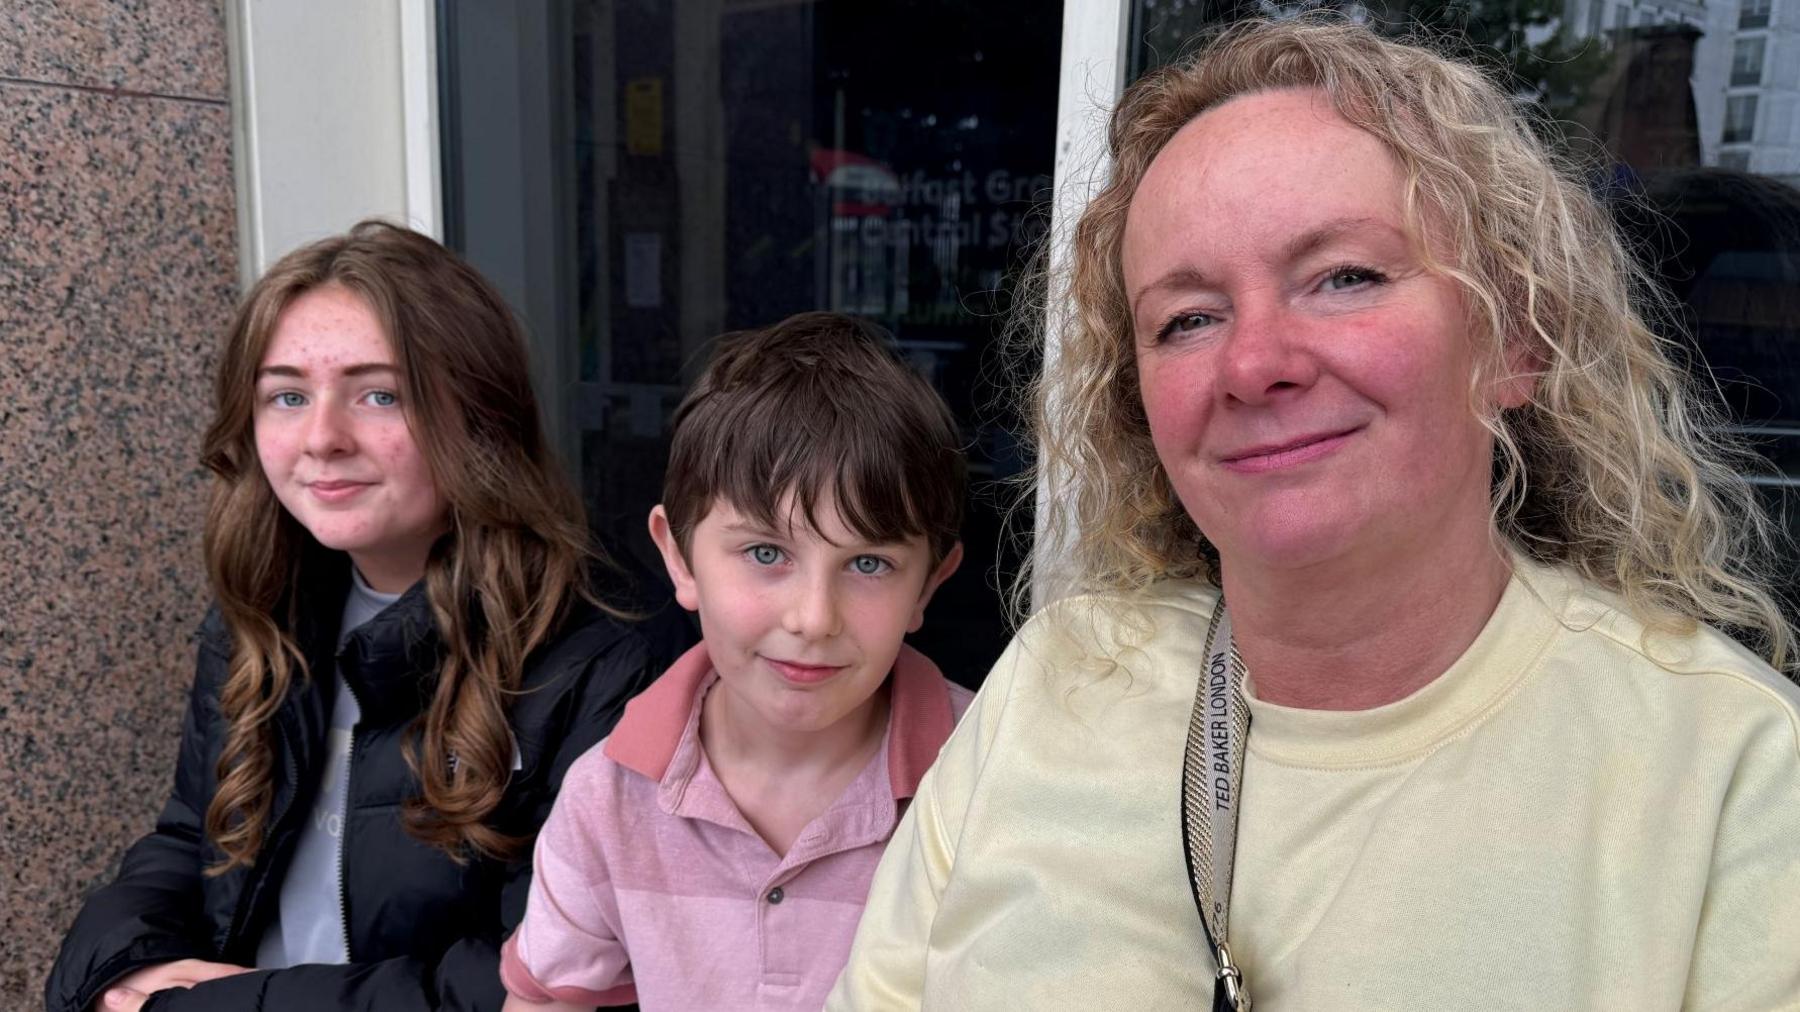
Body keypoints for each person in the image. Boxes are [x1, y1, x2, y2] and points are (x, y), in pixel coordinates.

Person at [829, 18, 1800, 1010]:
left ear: (1516, 340)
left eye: (1345, 277)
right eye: (1188, 318)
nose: (1255, 363)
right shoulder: (1059, 683)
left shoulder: (1732, 781)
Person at [46, 220, 682, 1012]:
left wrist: (225, 1006)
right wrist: (122, 970)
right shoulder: (266, 612)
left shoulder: (603, 653)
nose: (322, 439)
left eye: (379, 394)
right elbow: (188, 841)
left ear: (477, 414)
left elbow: (544, 977)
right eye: (286, 395)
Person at [497, 312, 971, 1011]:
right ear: (679, 557)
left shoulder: (986, 777)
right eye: (766, 554)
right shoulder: (609, 798)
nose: (813, 618)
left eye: (868, 563)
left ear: (928, 583)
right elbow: (549, 999)